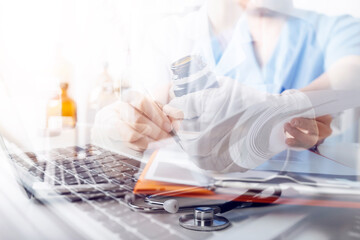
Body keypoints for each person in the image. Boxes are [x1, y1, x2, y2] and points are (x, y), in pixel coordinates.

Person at [93, 0, 360, 168]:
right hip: (187, 204)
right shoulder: (168, 34)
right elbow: (146, 114)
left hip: (298, 205)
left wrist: (272, 111)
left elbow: (352, 75)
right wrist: (120, 127)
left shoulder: (333, 27)